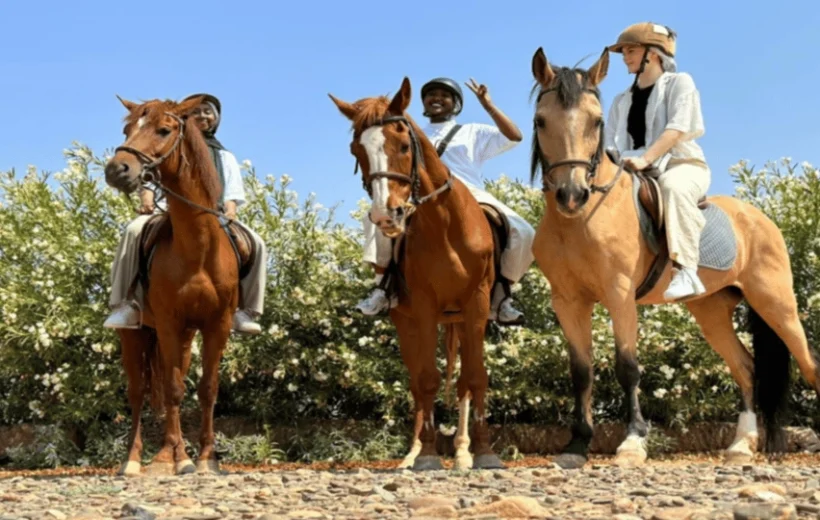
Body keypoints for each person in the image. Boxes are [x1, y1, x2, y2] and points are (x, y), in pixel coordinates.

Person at [357, 77, 536, 325]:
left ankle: (502, 295)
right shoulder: (408, 131)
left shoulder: (472, 131)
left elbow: (514, 136)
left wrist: (488, 106)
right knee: (374, 220)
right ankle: (383, 288)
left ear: (456, 103)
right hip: (422, 196)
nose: (437, 98)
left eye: (445, 95)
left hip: (471, 194)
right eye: (431, 95)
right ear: (423, 103)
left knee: (524, 231)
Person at [104, 93, 267, 334]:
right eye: (197, 111)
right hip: (165, 211)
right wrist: (147, 199)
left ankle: (246, 310)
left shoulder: (225, 156)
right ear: (186, 118)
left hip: (215, 214)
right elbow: (149, 176)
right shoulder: (172, 147)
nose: (202, 115)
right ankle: (126, 303)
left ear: (216, 119)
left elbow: (232, 191)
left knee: (257, 243)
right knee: (133, 230)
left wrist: (230, 210)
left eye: (208, 112)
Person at [605, 22, 711, 300]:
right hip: (631, 169)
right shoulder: (620, 101)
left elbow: (676, 129)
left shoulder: (680, 83)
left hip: (681, 166)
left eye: (630, 51)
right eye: (624, 52)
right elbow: (609, 144)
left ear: (652, 53)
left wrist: (645, 158)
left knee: (673, 187)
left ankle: (686, 271)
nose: (625, 57)